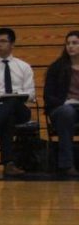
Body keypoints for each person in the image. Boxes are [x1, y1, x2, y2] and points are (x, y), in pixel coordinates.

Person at [0, 27, 36, 177]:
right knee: (8, 117)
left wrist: (11, 98)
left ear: (12, 44)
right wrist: (4, 99)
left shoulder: (24, 67)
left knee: (13, 102)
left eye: (3, 41)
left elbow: (31, 94)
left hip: (21, 110)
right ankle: (9, 164)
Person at [43, 29, 79, 176]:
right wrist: (64, 102)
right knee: (67, 113)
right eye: (68, 43)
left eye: (75, 43)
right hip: (61, 108)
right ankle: (66, 164)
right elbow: (48, 96)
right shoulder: (56, 67)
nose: (70, 46)